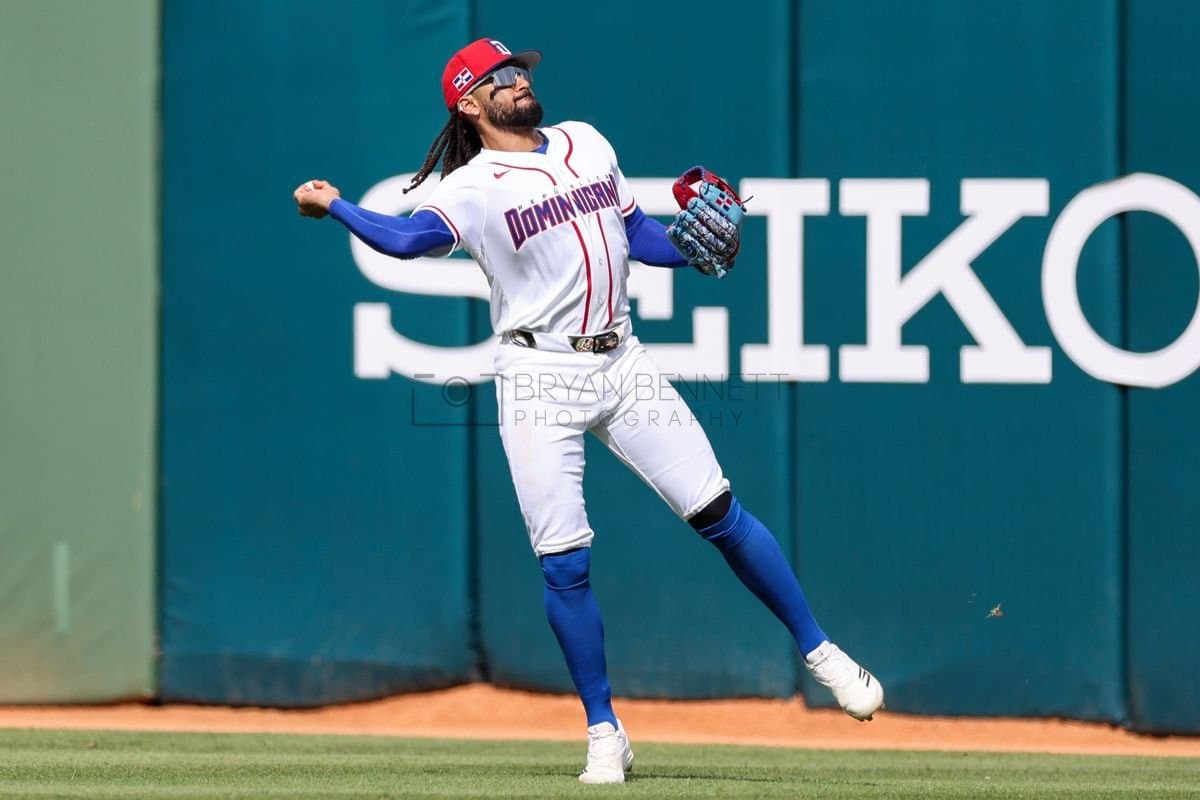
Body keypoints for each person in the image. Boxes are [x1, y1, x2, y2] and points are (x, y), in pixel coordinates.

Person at [293, 37, 883, 785]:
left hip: (622, 359)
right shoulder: (474, 186)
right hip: (537, 372)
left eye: (521, 72)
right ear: (470, 103)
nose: (519, 82)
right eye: (501, 78)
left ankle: (820, 652)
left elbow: (634, 233)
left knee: (719, 511)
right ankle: (605, 730)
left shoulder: (586, 141)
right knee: (565, 563)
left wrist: (687, 250)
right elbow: (409, 240)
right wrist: (336, 203)